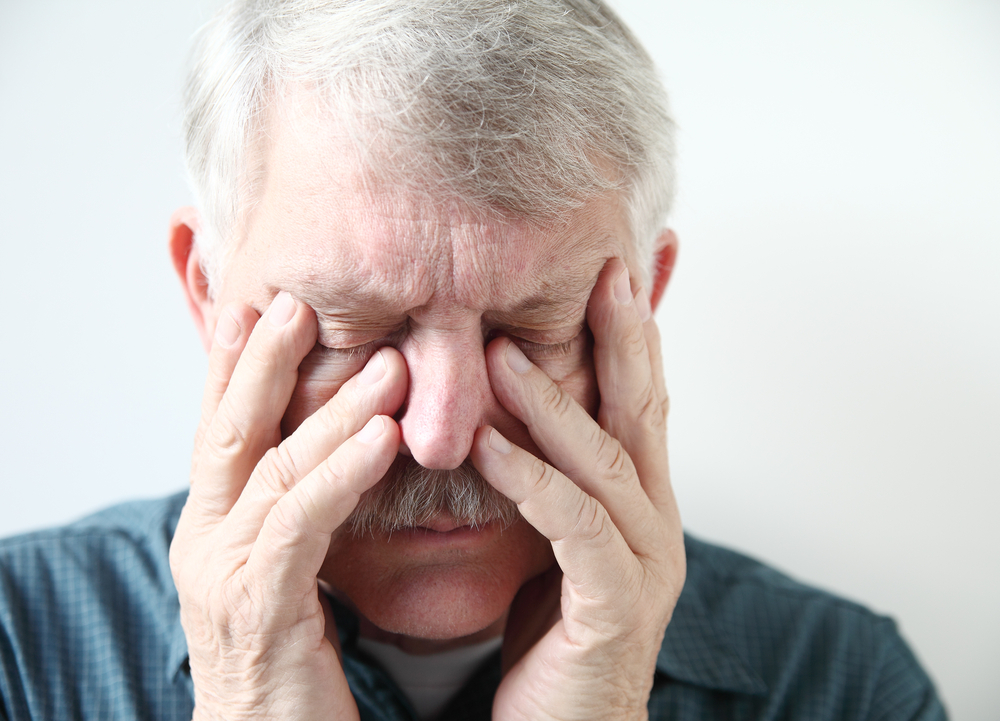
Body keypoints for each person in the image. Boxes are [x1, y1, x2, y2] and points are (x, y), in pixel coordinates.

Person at [0, 1, 946, 719]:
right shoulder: (18, 652)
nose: (444, 435)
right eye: (352, 336)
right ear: (208, 292)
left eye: (534, 333)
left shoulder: (841, 682)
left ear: (641, 304)